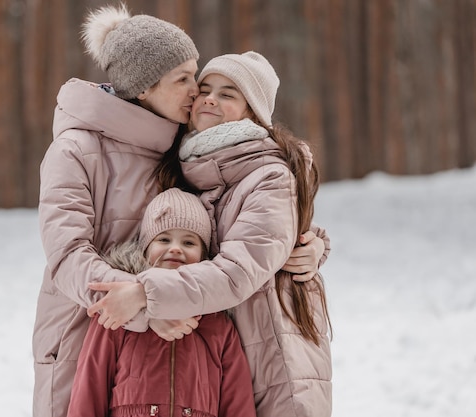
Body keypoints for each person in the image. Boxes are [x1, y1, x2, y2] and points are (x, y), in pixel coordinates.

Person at [32, 4, 329, 417]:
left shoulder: (180, 152)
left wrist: (310, 244)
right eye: (185, 79)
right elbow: (66, 254)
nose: (198, 93)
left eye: (199, 77)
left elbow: (231, 229)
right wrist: (144, 306)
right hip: (90, 330)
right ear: (143, 86)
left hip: (185, 342)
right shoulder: (77, 151)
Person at [67, 188, 256, 417]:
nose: (175, 248)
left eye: (188, 242)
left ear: (203, 256)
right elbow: (90, 388)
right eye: (164, 239)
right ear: (145, 248)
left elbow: (238, 402)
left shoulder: (218, 325)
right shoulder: (118, 313)